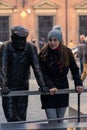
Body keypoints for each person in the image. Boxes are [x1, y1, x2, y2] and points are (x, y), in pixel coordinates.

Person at [0, 25, 49, 122]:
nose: (22, 42)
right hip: (8, 88)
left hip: (23, 86)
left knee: (22, 116)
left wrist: (42, 84)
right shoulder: (6, 47)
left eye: (23, 39)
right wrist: (3, 85)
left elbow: (37, 67)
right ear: (12, 38)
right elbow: (3, 67)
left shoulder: (31, 48)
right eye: (19, 39)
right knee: (11, 116)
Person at [39, 28, 83, 124]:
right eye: (50, 40)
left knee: (60, 121)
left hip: (63, 90)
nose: (52, 43)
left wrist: (78, 83)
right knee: (53, 122)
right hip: (49, 92)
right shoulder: (43, 53)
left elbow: (75, 69)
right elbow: (42, 73)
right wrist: (50, 86)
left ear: (60, 40)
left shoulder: (67, 52)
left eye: (55, 40)